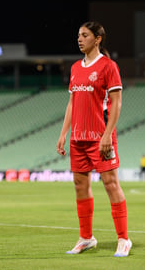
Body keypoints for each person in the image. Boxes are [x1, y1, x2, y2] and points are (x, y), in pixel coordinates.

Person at [56, 21, 131, 257]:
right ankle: (86, 238)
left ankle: (123, 239)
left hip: (100, 138)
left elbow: (117, 103)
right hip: (78, 138)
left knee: (111, 184)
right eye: (78, 35)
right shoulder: (76, 68)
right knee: (80, 186)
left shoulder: (109, 67)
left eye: (85, 35)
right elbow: (72, 103)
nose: (79, 39)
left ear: (97, 39)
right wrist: (63, 133)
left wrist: (108, 134)